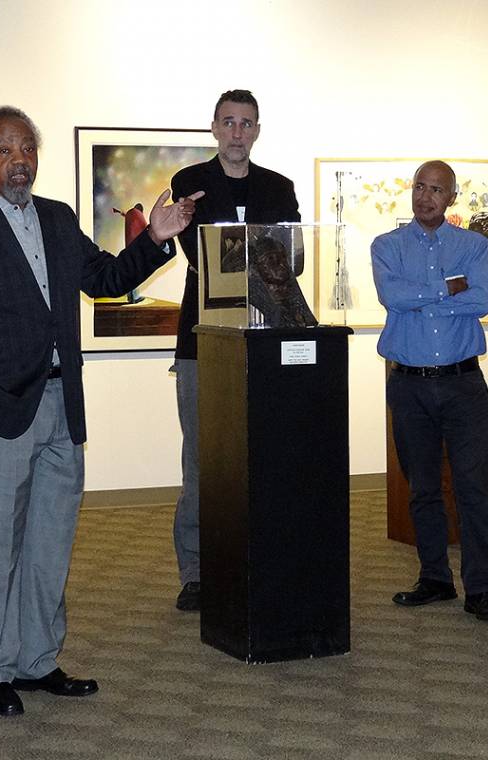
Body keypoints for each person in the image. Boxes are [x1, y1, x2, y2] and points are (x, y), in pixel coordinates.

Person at [0, 106, 201, 717]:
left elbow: (105, 278)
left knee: (50, 540)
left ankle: (37, 660)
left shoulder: (58, 218)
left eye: (27, 149)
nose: (20, 160)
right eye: (6, 150)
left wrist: (158, 235)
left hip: (61, 402)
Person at [168, 89, 300, 611]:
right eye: (229, 123)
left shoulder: (280, 187)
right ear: (214, 129)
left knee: (264, 454)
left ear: (258, 129)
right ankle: (197, 570)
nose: (238, 132)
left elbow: (292, 259)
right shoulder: (190, 184)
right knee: (202, 459)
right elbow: (202, 254)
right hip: (203, 340)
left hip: (268, 337)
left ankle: (259, 558)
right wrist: (258, 255)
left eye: (247, 123)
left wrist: (260, 258)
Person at [372, 160, 488, 622]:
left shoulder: (473, 245)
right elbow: (394, 297)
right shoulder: (386, 246)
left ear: (452, 197)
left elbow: (483, 299)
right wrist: (448, 288)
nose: (425, 197)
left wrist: (423, 294)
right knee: (422, 488)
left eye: (436, 190)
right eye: (419, 188)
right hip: (408, 386)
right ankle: (434, 578)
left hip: (463, 384)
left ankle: (481, 589)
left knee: (473, 489)